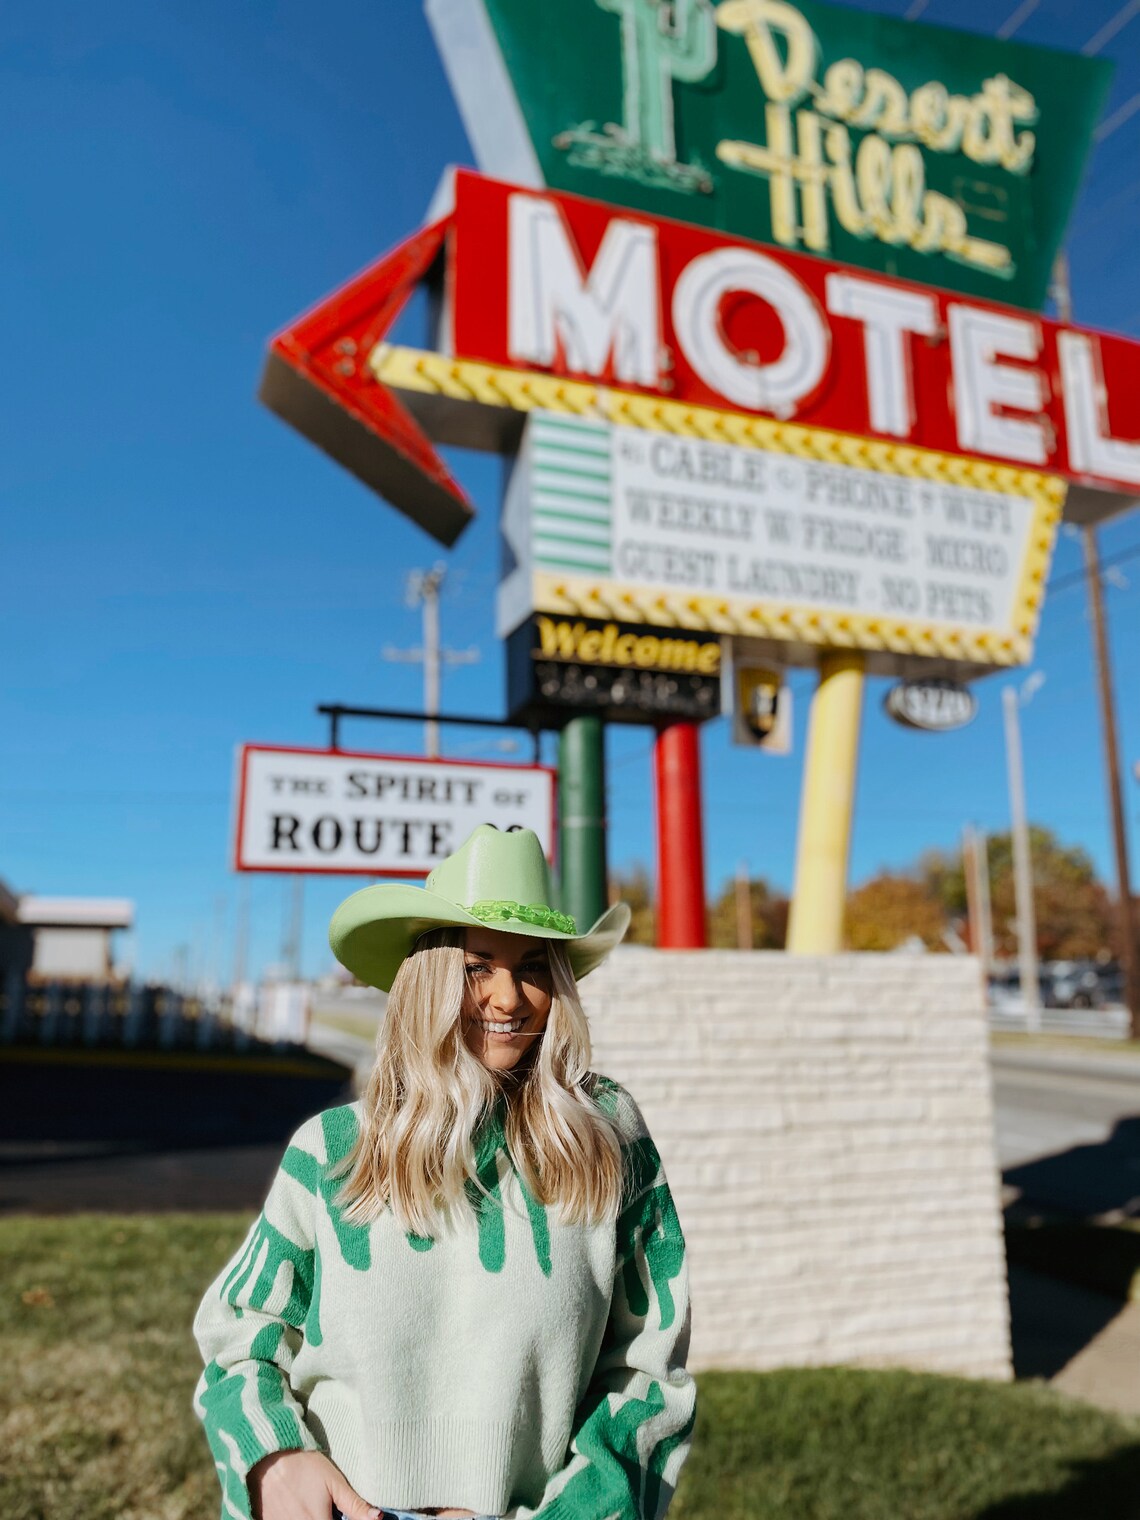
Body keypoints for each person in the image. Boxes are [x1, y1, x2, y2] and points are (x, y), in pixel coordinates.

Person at [192, 823, 695, 1520]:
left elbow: (647, 1371)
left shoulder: (608, 1139)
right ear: (427, 979)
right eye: (477, 967)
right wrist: (275, 1458)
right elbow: (240, 1335)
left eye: (533, 967)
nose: (510, 998)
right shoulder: (331, 1150)